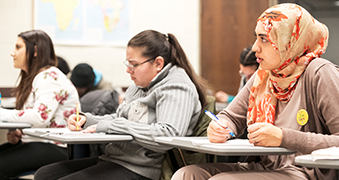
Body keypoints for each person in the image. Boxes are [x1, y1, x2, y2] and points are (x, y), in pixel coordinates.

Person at [172, 3, 339, 180]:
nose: (254, 47)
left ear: (289, 40)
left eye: (264, 39)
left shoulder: (320, 72)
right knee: (186, 174)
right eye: (256, 38)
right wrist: (220, 126)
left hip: (305, 171)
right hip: (265, 165)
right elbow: (231, 116)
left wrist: (283, 137)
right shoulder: (265, 74)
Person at [34, 29, 207, 180]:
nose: (128, 70)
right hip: (117, 158)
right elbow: (119, 118)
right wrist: (87, 120)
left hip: (144, 169)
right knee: (44, 174)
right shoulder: (139, 85)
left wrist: (114, 125)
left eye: (134, 65)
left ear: (158, 63)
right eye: (127, 64)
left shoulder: (176, 87)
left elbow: (168, 134)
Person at [0, 30, 79, 179]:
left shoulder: (49, 76)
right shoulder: (36, 77)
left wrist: (2, 113)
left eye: (18, 47)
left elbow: (39, 117)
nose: (13, 53)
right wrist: (21, 133)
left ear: (35, 50)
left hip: (58, 146)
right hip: (41, 142)